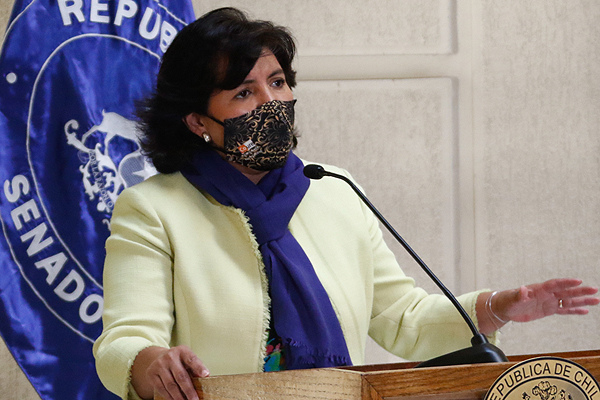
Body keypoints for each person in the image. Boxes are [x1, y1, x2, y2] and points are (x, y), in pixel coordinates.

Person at [92, 7, 599, 400]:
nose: (271, 102)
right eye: (244, 93)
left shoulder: (333, 188)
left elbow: (403, 319)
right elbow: (123, 340)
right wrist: (150, 363)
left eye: (277, 82)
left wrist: (495, 308)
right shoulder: (155, 209)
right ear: (198, 121)